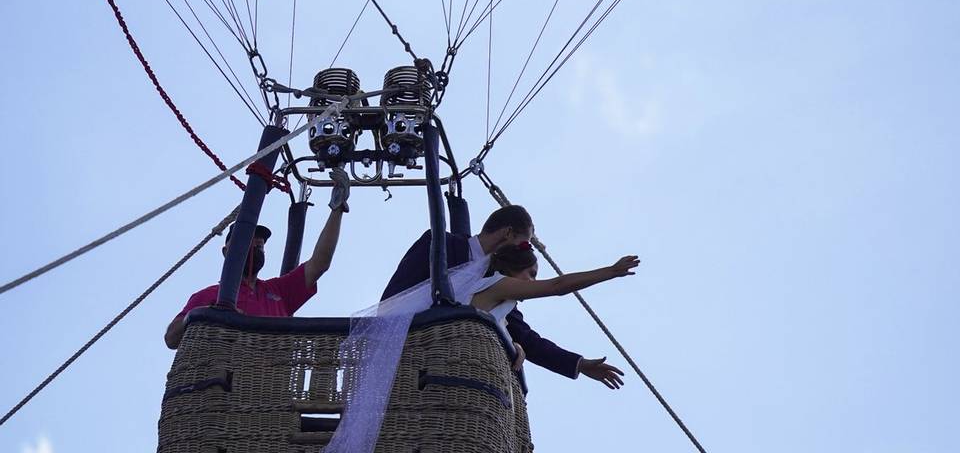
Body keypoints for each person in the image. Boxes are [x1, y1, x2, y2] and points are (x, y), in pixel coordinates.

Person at [381, 204, 626, 387]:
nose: (524, 249)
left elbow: (529, 340)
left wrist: (578, 364)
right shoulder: (441, 245)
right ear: (508, 233)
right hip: (411, 345)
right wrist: (611, 271)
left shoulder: (498, 288)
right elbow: (398, 296)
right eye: (524, 243)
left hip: (449, 368)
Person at [163, 167, 351, 349]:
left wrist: (337, 209)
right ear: (226, 251)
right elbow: (171, 338)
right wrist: (206, 314)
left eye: (260, 244)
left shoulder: (279, 291)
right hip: (222, 375)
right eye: (247, 241)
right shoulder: (208, 295)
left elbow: (320, 263)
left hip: (267, 377)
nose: (255, 245)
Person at [471, 242, 638, 388]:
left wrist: (580, 364)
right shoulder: (498, 284)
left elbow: (531, 343)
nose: (534, 282)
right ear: (511, 269)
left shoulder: (506, 310)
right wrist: (611, 271)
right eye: (531, 274)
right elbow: (557, 286)